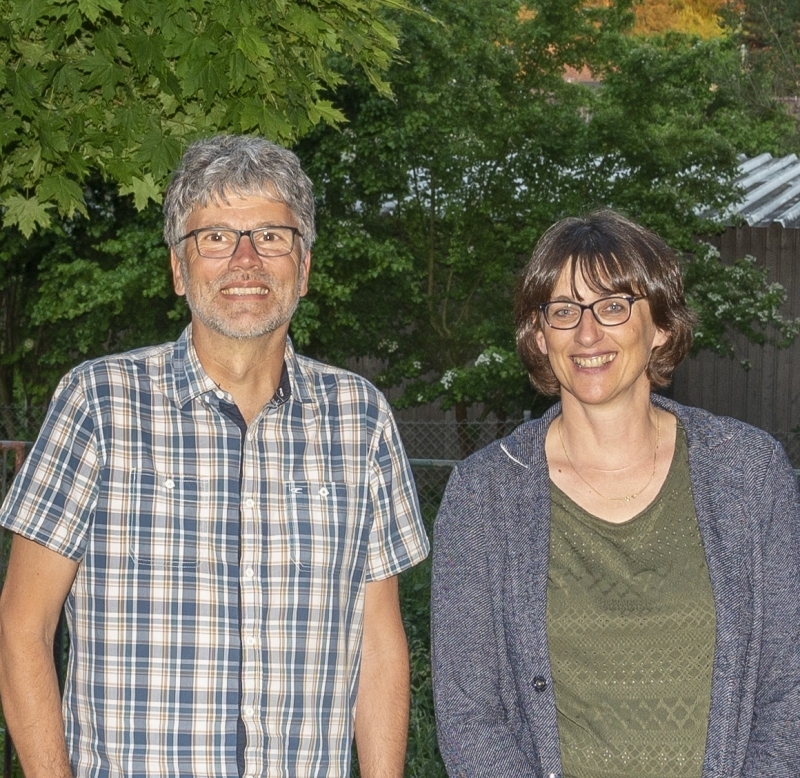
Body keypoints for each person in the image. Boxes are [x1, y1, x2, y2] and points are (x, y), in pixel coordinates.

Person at [0, 135, 429, 778]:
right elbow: (21, 627)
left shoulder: (361, 419)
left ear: (304, 268)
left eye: (271, 236)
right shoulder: (98, 404)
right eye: (216, 238)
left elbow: (380, 644)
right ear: (179, 269)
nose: (245, 260)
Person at [431, 209, 800, 777]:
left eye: (613, 306)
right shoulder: (484, 495)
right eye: (563, 310)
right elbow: (469, 716)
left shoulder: (749, 474)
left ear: (662, 326)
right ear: (539, 335)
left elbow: (788, 688)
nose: (587, 333)